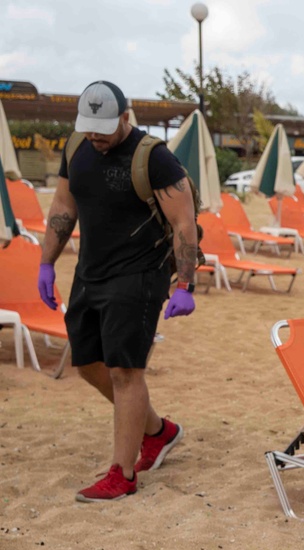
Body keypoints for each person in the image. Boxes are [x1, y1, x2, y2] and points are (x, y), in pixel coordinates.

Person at [36, 81, 195, 502]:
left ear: (126, 117)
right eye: (89, 127)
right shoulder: (77, 147)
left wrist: (185, 283)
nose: (96, 135)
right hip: (90, 272)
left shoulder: (154, 158)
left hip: (139, 275)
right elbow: (63, 207)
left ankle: (122, 473)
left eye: (104, 127)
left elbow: (184, 223)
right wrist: (46, 263)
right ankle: (158, 431)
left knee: (126, 371)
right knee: (88, 363)